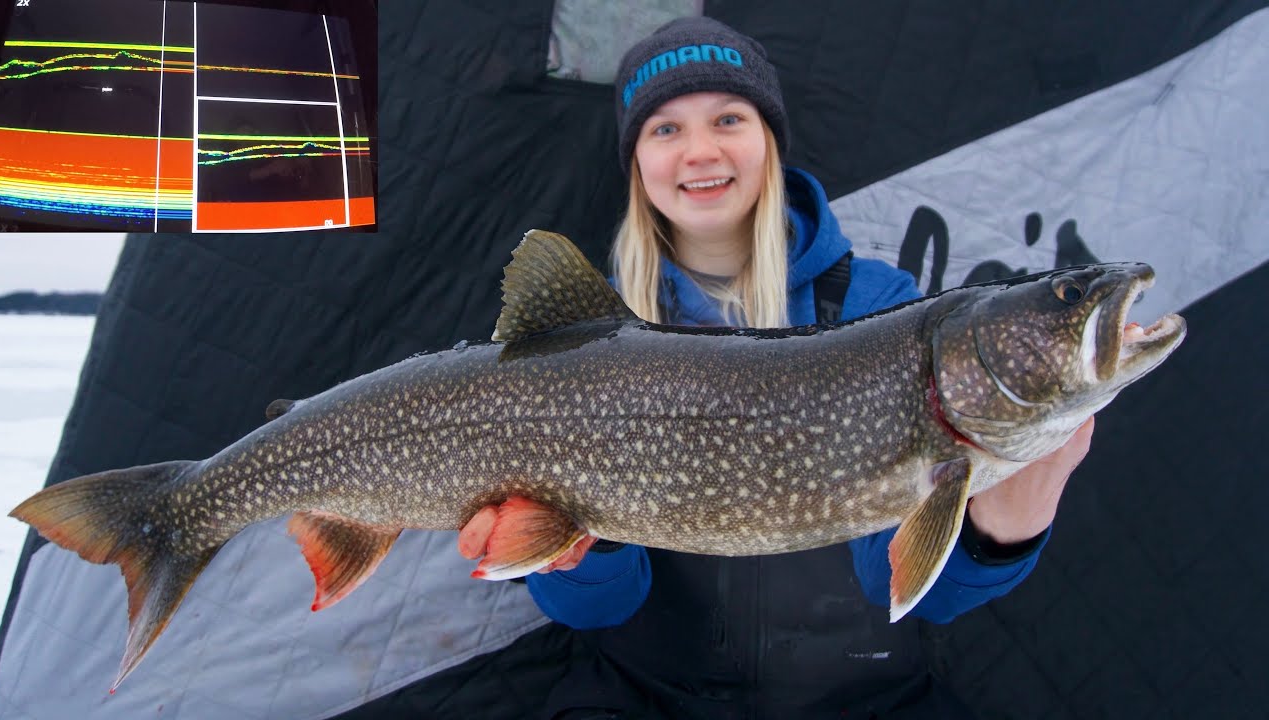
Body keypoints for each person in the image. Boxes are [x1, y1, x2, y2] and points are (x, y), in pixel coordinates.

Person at [458, 16, 1094, 720]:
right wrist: (570, 540)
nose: (700, 151)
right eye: (665, 129)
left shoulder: (882, 309)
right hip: (650, 694)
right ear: (636, 160)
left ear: (768, 141)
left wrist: (1017, 509)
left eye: (728, 118)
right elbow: (597, 609)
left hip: (861, 696)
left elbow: (924, 593)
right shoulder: (585, 336)